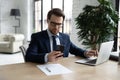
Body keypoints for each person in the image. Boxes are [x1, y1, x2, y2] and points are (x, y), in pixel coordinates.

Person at [25, 8, 98, 64]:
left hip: (62, 69)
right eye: (53, 24)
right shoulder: (37, 37)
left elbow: (75, 49)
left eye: (59, 24)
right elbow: (29, 56)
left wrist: (86, 53)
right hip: (43, 71)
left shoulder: (65, 37)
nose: (56, 27)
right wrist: (46, 57)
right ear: (47, 21)